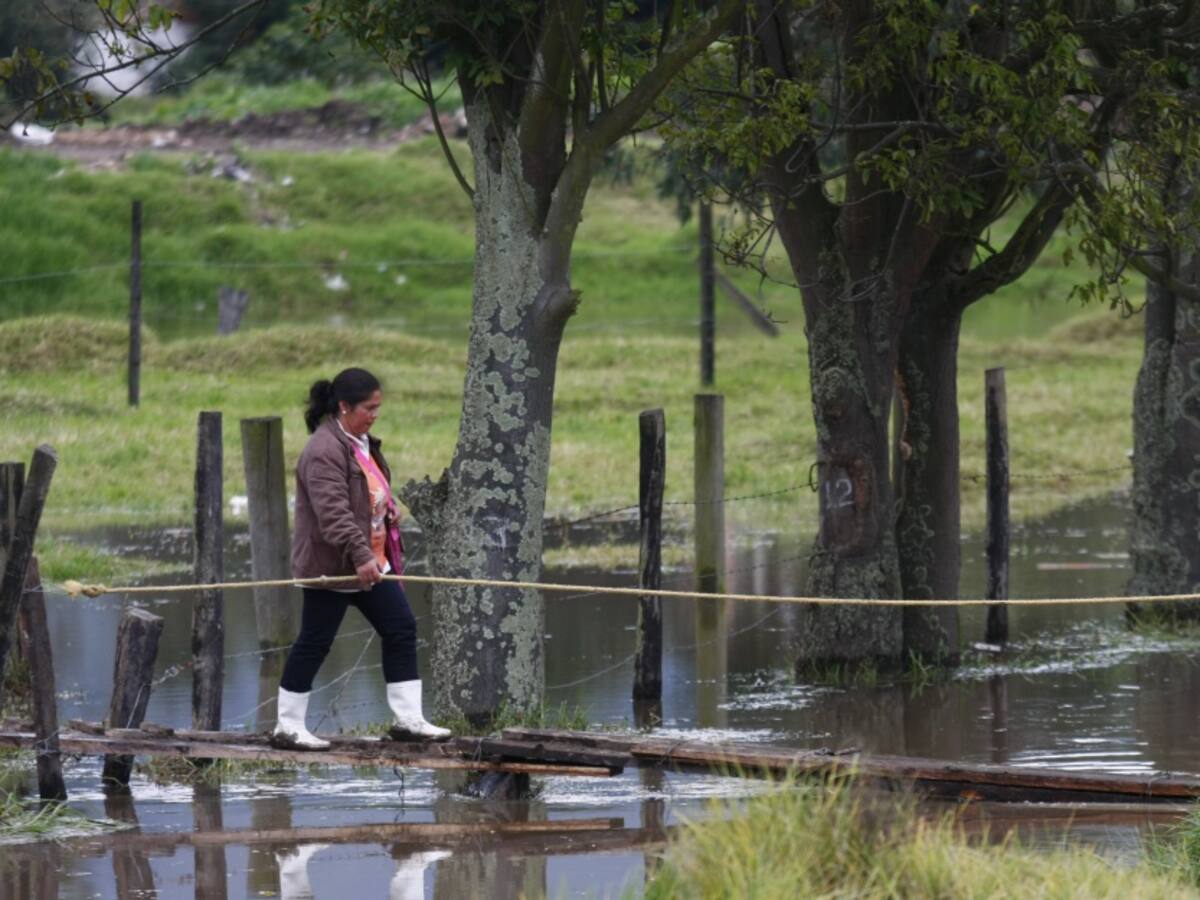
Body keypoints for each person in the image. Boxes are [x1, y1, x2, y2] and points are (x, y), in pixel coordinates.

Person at [271, 367, 450, 750]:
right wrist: (360, 554)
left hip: (370, 562)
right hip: (334, 568)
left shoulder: (361, 442)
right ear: (344, 406)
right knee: (315, 642)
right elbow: (333, 514)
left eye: (377, 407)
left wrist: (383, 523)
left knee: (400, 628)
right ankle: (287, 727)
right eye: (369, 408)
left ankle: (408, 721)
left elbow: (366, 496)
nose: (375, 415)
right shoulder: (323, 451)